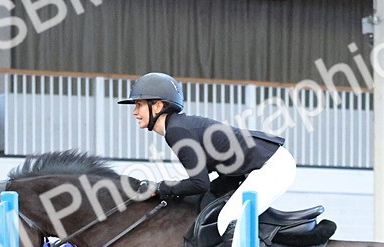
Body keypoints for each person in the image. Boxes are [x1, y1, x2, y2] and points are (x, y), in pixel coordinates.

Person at [119, 72, 297, 238]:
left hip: (273, 167)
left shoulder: (176, 131)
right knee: (206, 205)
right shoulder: (177, 127)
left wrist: (160, 188)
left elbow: (199, 183)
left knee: (227, 221)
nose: (135, 111)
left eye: (139, 105)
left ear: (158, 106)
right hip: (255, 167)